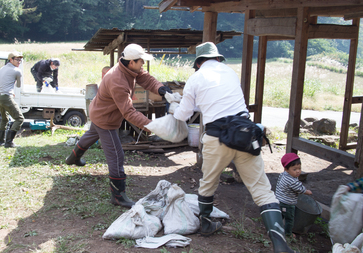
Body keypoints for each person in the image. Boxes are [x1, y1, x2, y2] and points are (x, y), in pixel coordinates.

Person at [172, 42, 298, 253]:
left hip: (217, 136)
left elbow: (183, 115)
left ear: (198, 63)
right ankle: (280, 245)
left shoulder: (195, 78)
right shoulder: (230, 72)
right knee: (262, 189)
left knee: (209, 181)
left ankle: (206, 224)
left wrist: (174, 106)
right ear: (217, 58)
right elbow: (220, 100)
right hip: (244, 134)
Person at [65, 43, 172, 208]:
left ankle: (73, 157)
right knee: (116, 155)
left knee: (91, 134)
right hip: (105, 118)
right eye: (141, 61)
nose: (143, 64)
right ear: (131, 62)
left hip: (99, 111)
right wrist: (152, 125)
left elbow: (145, 77)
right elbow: (129, 113)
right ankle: (117, 195)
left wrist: (161, 89)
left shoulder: (128, 68)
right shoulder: (118, 80)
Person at [276, 153, 313, 238]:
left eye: (299, 168)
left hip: (279, 199)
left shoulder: (283, 175)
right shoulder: (292, 181)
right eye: (294, 169)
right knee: (289, 219)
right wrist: (307, 192)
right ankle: (288, 234)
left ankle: (275, 228)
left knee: (279, 215)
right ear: (286, 169)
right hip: (287, 203)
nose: (298, 171)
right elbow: (300, 189)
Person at [0, 51, 25, 148]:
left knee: (4, 119)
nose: (19, 61)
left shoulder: (2, 68)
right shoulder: (17, 71)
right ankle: (9, 142)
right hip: (6, 97)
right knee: (19, 119)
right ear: (10, 60)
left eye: (20, 59)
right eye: (17, 59)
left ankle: (1, 142)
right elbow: (19, 85)